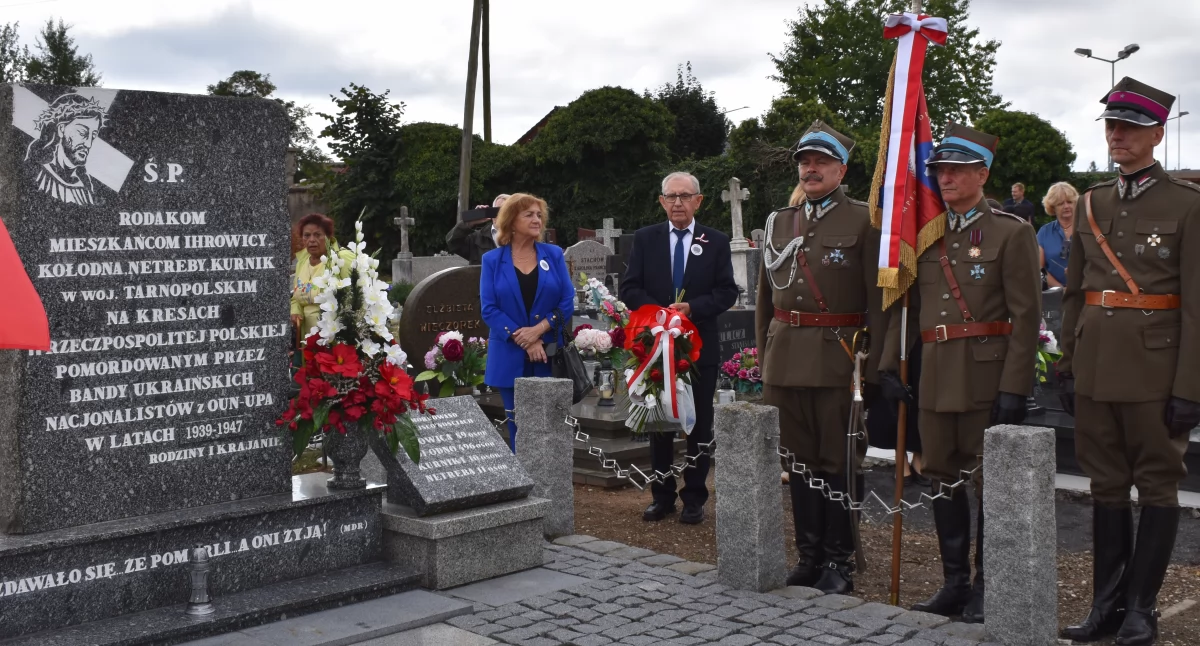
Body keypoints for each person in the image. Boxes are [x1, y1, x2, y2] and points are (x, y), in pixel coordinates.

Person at [880, 123, 1040, 624]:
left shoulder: (1010, 232)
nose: (945, 178)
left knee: (989, 483)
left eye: (956, 170)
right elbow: (906, 307)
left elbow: (1026, 316)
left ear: (982, 174)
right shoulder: (925, 233)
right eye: (940, 170)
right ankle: (954, 584)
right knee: (941, 477)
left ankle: (989, 586)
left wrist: (1015, 387)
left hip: (984, 378)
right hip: (934, 376)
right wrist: (888, 364)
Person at [1058, 78, 1200, 646]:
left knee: (1158, 486)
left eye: (1130, 127)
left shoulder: (1187, 205)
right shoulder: (1091, 202)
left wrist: (1190, 387)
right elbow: (1075, 293)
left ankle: (1142, 610)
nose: (1117, 135)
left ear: (1157, 135)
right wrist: (1067, 363)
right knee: (1106, 485)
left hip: (1154, 372)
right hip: (1095, 368)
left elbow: (1196, 307)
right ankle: (1106, 607)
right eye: (1112, 126)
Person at [754, 121, 879, 593]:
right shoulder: (778, 222)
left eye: (821, 162)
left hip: (838, 361)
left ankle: (838, 561)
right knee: (798, 462)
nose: (811, 169)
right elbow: (766, 302)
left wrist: (876, 365)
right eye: (805, 162)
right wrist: (765, 358)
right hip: (785, 357)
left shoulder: (865, 220)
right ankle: (808, 556)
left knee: (839, 462)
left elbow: (878, 302)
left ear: (841, 170)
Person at [621, 171, 738, 525]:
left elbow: (727, 292)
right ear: (661, 201)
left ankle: (694, 497)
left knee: (698, 424)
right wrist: (659, 315)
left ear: (698, 201)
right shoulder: (646, 239)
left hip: (698, 349)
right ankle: (661, 496)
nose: (677, 203)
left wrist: (692, 310)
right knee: (658, 422)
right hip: (654, 346)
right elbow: (630, 288)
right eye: (671, 196)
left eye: (685, 196)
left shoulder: (715, 241)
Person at [480, 193, 574, 453]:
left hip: (548, 354)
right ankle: (522, 478)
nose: (537, 220)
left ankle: (551, 479)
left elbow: (567, 301)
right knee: (517, 428)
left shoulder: (553, 255)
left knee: (550, 429)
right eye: (529, 215)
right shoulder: (492, 261)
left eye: (539, 215)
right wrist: (524, 339)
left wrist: (539, 331)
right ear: (511, 220)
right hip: (509, 356)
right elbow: (489, 309)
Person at [26, 92, 108, 205]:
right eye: (82, 133)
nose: (88, 144)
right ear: (61, 129)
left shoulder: (85, 190)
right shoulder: (35, 174)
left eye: (93, 136)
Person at [291, 213, 357, 341]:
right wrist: (295, 311)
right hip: (307, 338)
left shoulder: (341, 258)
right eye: (307, 235)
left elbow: (358, 294)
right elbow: (295, 297)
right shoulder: (302, 263)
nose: (311, 240)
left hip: (335, 336)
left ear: (328, 237)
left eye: (317, 235)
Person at [1037, 182, 1078, 289]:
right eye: (1060, 204)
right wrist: (1059, 289)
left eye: (1069, 202)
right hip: (1054, 294)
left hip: (1086, 292)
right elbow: (1039, 268)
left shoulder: (1087, 229)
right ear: (1052, 207)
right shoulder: (1044, 232)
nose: (1066, 206)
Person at [447, 194, 508, 265]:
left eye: (507, 211)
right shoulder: (477, 238)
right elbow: (453, 243)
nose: (502, 216)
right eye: (498, 211)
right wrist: (470, 222)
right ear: (491, 212)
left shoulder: (518, 237)